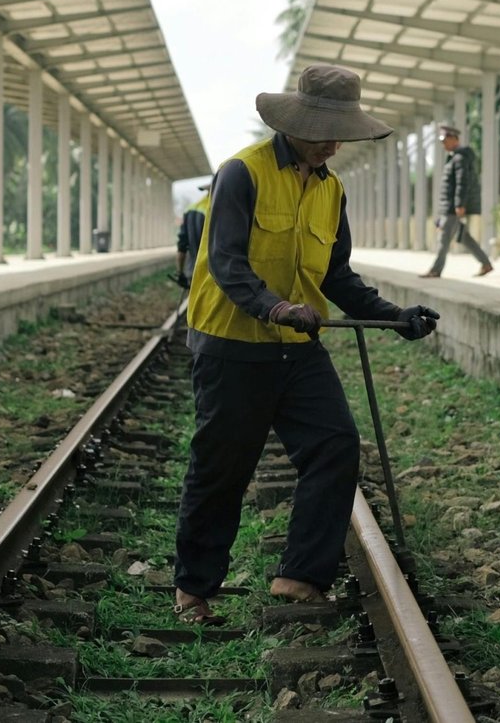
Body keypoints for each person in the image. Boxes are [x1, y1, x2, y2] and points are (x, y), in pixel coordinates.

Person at [174, 65, 439, 623]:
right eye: (322, 130)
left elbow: (337, 277)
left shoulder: (330, 189)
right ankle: (194, 589)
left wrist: (396, 317)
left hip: (299, 345)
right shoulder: (241, 173)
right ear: (293, 124)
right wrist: (275, 307)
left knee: (336, 445)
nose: (332, 143)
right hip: (233, 342)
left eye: (340, 131)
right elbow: (226, 262)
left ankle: (300, 576)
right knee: (222, 467)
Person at [420, 125, 494, 279]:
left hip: (453, 207)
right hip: (452, 205)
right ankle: (486, 264)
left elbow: (462, 182)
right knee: (464, 237)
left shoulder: (459, 158)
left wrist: (460, 204)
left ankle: (436, 270)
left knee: (443, 238)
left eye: (445, 140)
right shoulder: (455, 157)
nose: (443, 144)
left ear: (454, 138)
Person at [173, 182, 210, 289]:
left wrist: (180, 273)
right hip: (211, 276)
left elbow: (182, 247)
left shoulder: (190, 210)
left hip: (192, 272)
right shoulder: (215, 210)